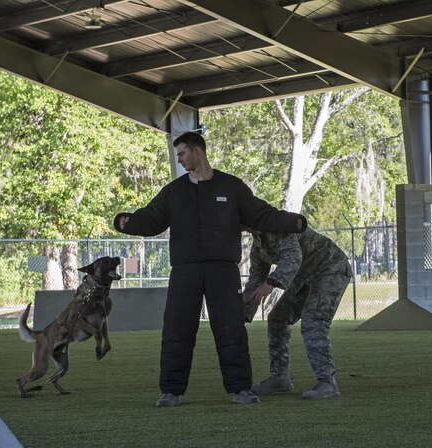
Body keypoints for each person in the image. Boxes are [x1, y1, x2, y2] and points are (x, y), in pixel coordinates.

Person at [113, 131, 307, 407]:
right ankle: (171, 392)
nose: (179, 159)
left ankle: (241, 390)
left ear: (197, 151)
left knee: (231, 329)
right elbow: (151, 219)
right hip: (185, 271)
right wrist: (126, 222)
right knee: (177, 330)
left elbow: (263, 214)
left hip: (223, 271)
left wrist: (295, 222)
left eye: (181, 153)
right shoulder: (174, 192)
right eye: (177, 155)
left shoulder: (232, 187)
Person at [243, 227, 353, 399]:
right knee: (277, 318)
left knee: (314, 321)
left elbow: (294, 257)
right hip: (304, 277)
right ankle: (280, 379)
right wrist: (242, 312)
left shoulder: (280, 226)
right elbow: (255, 280)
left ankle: (327, 382)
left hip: (330, 269)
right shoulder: (258, 244)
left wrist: (272, 282)